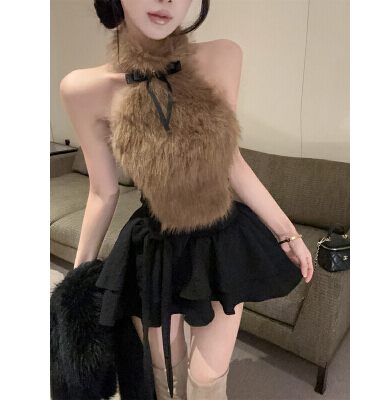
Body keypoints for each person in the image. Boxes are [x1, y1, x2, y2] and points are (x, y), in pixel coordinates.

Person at [59, 1, 314, 399]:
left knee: (206, 386)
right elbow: (102, 191)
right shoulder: (83, 89)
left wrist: (287, 233)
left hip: (221, 242)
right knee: (166, 383)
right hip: (155, 252)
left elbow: (230, 160)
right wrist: (75, 291)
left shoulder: (222, 57)